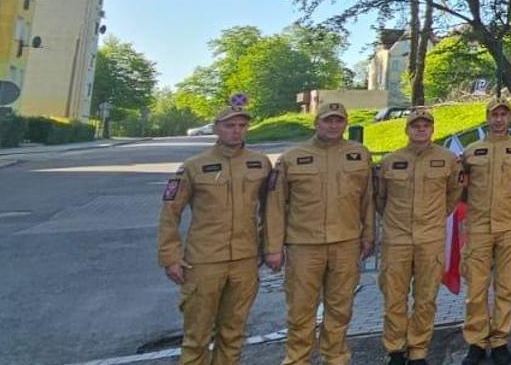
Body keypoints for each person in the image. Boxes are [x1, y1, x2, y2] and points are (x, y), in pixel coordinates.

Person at [157, 94, 281, 365]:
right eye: (229, 126)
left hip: (245, 260)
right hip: (203, 261)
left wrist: (271, 248)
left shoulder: (260, 163)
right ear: (216, 129)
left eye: (241, 126)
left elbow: (271, 209)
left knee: (233, 333)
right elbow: (170, 213)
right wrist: (170, 257)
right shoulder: (193, 166)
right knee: (197, 335)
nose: (235, 131)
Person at [273, 101, 375, 365]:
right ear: (316, 123)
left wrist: (368, 236)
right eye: (328, 120)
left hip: (346, 242)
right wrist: (273, 246)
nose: (333, 125)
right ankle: (297, 359)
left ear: (345, 124)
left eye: (338, 120)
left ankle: (336, 358)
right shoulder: (292, 157)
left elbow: (368, 200)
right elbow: (275, 206)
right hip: (304, 245)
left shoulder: (359, 154)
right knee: (300, 309)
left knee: (340, 308)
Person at [376, 108, 463, 365]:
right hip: (397, 239)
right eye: (416, 125)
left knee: (425, 298)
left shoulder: (447, 159)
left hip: (430, 239)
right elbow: (381, 198)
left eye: (426, 125)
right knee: (394, 296)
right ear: (407, 129)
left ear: (432, 129)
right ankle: (395, 349)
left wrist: (433, 219)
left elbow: (453, 195)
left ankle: (418, 349)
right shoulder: (391, 161)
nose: (421, 129)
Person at [459, 96, 511, 365]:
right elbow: (459, 188)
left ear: (509, 118)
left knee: (505, 288)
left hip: (508, 227)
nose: (499, 119)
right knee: (476, 290)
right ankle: (476, 342)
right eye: (494, 114)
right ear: (487, 117)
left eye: (503, 114)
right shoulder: (471, 151)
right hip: (478, 229)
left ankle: (500, 339)